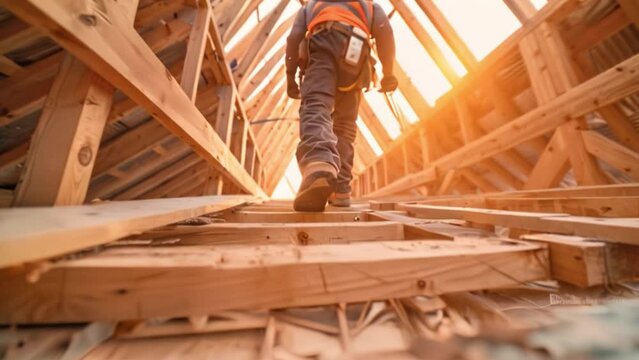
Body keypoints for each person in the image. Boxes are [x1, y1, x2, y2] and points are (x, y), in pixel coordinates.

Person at [286, 0, 397, 212]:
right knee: (345, 124)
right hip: (356, 55)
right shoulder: (369, 6)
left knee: (316, 106)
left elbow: (293, 39)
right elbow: (385, 34)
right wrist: (389, 73)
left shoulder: (311, 7)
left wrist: (290, 76)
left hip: (323, 44)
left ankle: (319, 163)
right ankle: (341, 189)